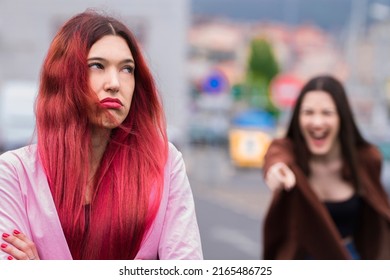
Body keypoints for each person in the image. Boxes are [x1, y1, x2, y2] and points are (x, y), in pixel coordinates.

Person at [0, 10, 203, 260]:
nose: (114, 83)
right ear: (64, 77)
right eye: (97, 66)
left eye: (127, 69)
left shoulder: (165, 164)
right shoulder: (13, 174)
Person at [262, 75, 390, 260]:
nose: (317, 122)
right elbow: (276, 156)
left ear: (341, 117)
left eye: (326, 113)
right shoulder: (289, 156)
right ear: (298, 118)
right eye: (308, 112)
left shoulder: (365, 159)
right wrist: (276, 171)